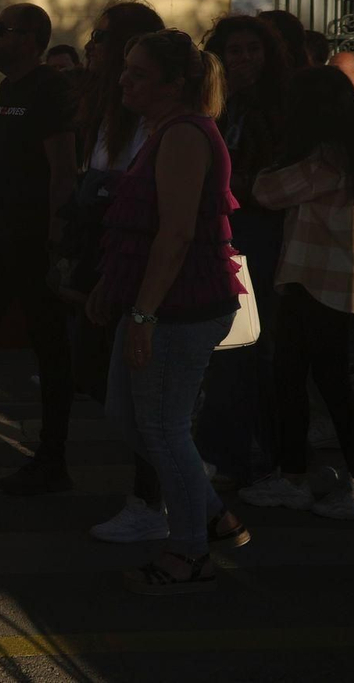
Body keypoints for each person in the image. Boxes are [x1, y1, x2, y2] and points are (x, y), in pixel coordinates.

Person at [88, 30, 250, 594]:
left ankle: (190, 550)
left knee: (162, 428)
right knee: (131, 418)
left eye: (137, 72)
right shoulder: (161, 131)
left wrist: (145, 316)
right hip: (155, 301)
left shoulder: (184, 135)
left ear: (172, 84)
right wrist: (114, 290)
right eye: (125, 68)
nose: (124, 80)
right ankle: (211, 515)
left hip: (179, 306)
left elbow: (176, 234)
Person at [244, 65, 354, 519]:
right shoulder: (344, 152)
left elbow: (267, 191)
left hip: (322, 283)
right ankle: (297, 476)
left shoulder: (328, 158)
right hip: (315, 280)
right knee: (295, 378)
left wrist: (268, 163)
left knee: (326, 382)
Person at [66, 0, 168, 543]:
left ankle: (163, 502)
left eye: (104, 39)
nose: (94, 49)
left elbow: (145, 210)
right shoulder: (111, 109)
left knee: (142, 398)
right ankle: (175, 493)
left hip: (137, 272)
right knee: (109, 387)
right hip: (107, 260)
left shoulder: (163, 126)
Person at [0, 3, 77, 494]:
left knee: (51, 350)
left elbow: (62, 165)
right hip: (2, 239)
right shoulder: (7, 89)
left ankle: (53, 457)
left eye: (0, 31)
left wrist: (56, 234)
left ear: (31, 39)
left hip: (36, 242)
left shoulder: (50, 88)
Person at [197, 13, 289, 489]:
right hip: (224, 233)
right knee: (227, 347)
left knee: (251, 346)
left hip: (263, 236)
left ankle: (241, 453)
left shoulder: (280, 106)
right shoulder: (216, 105)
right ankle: (231, 449)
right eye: (235, 51)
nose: (245, 59)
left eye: (253, 50)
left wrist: (242, 188)